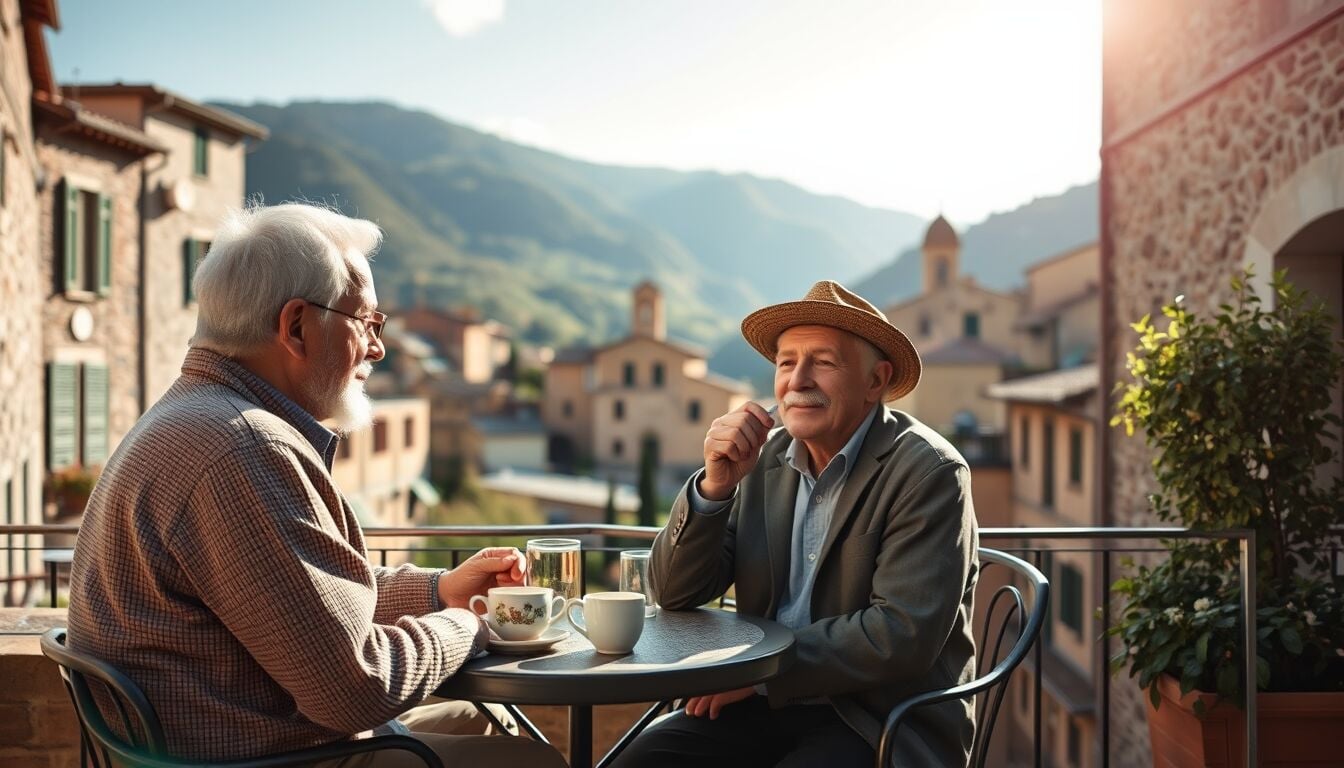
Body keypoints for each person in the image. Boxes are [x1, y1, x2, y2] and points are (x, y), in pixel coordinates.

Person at [66, 202, 565, 768]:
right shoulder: (244, 447)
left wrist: (441, 589)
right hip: (264, 758)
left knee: (478, 716)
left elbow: (303, 597)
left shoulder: (196, 418)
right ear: (297, 326)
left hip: (240, 738)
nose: (378, 348)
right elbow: (357, 689)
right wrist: (470, 621)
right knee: (533, 763)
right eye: (367, 323)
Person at [615, 280, 980, 767]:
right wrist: (715, 487)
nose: (798, 380)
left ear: (876, 381)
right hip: (760, 703)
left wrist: (759, 671)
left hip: (878, 719)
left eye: (823, 362)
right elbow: (676, 592)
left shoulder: (929, 471)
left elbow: (901, 633)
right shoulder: (762, 460)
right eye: (787, 363)